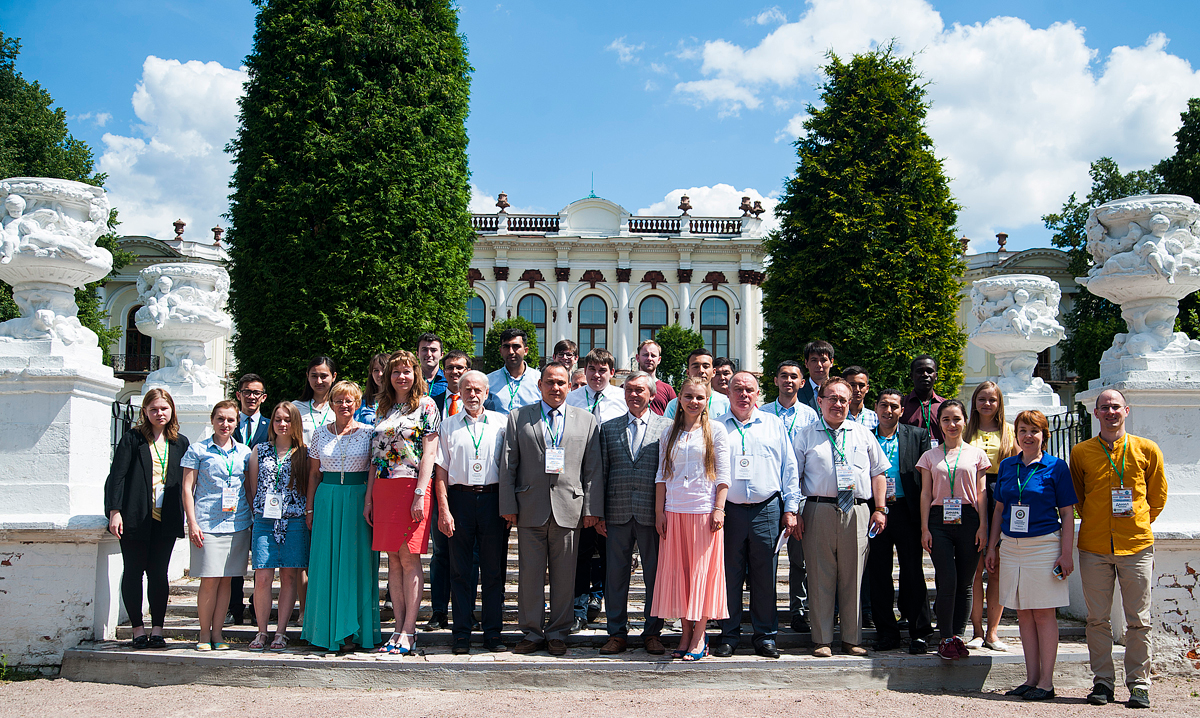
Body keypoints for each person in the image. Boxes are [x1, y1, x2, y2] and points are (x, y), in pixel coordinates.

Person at [1070, 389, 1167, 709]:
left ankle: (1139, 684)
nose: (1110, 412)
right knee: (1097, 620)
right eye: (1104, 408)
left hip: (1136, 544)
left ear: (1126, 410)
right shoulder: (1081, 452)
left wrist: (1136, 521)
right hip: (1095, 546)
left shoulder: (1146, 449)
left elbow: (1158, 497)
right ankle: (1102, 682)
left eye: (1115, 407)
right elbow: (1079, 498)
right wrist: (1099, 519)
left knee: (1138, 619)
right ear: (1095, 414)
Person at [500, 361, 603, 656]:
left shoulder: (586, 420)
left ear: (570, 386)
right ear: (540, 385)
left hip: (569, 507)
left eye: (561, 383)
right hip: (530, 507)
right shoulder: (518, 417)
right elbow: (509, 464)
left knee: (565, 576)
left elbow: (592, 469)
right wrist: (508, 504)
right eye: (550, 382)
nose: (555, 388)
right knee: (530, 576)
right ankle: (531, 633)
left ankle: (558, 631)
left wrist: (591, 508)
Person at [986, 410, 1078, 701]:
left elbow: (1067, 513)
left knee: (1043, 613)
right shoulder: (1008, 466)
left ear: (1044, 435)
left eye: (1034, 430)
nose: (1028, 435)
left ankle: (1047, 682)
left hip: (1043, 545)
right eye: (1023, 430)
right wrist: (992, 547)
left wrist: (1066, 554)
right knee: (1023, 613)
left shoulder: (1056, 467)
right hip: (1012, 546)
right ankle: (1031, 678)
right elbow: (999, 509)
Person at [793, 377, 888, 657]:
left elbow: (878, 473)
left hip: (857, 510)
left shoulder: (863, 434)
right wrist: (796, 511)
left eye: (843, 399)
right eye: (831, 398)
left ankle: (851, 638)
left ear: (851, 403)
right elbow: (794, 477)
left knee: (853, 575)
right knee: (820, 575)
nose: (837, 404)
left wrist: (880, 509)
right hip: (818, 509)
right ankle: (821, 639)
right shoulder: (806, 435)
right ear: (820, 401)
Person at [713, 372, 799, 659]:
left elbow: (789, 468)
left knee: (765, 577)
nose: (743, 395)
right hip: (730, 511)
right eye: (737, 389)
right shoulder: (716, 427)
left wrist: (790, 508)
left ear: (758, 393)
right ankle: (729, 635)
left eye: (749, 389)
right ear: (728, 393)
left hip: (767, 509)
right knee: (729, 575)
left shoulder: (774, 425)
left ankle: (765, 636)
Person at [652, 377, 731, 661]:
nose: (694, 401)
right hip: (674, 510)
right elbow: (661, 476)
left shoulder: (717, 431)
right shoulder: (668, 433)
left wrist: (718, 509)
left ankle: (699, 635)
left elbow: (723, 475)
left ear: (707, 399)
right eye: (688, 396)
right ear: (680, 398)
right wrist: (660, 511)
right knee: (681, 575)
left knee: (701, 575)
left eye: (699, 397)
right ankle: (684, 632)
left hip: (703, 511)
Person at [367, 351, 440, 655]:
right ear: (387, 376)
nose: (401, 377)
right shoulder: (382, 407)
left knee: (409, 558)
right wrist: (369, 496)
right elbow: (374, 457)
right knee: (392, 561)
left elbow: (430, 453)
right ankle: (396, 629)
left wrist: (421, 492)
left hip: (412, 487)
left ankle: (410, 631)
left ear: (416, 374)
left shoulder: (427, 405)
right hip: (384, 489)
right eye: (396, 372)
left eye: (407, 371)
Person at [105, 388, 189, 650]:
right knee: (133, 571)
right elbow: (116, 476)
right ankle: (137, 629)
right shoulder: (133, 439)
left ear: (172, 410)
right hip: (135, 515)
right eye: (153, 409)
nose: (159, 413)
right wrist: (114, 511)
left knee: (158, 574)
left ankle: (157, 630)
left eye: (163, 408)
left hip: (166, 517)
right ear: (145, 412)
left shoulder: (180, 442)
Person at [434, 370, 510, 654]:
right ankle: (461, 634)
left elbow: (510, 467)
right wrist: (444, 509)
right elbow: (440, 471)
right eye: (467, 390)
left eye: (478, 390)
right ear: (460, 392)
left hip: (492, 500)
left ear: (487, 393)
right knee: (460, 572)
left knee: (493, 572)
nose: (473, 395)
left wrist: (508, 507)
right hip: (459, 500)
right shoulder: (448, 425)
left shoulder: (501, 423)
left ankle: (493, 634)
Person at [597, 371, 672, 655]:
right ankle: (616, 633)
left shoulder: (666, 427)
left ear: (652, 395)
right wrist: (599, 512)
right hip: (616, 513)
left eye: (640, 390)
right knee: (615, 576)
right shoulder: (609, 427)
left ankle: (652, 632)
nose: (633, 395)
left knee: (655, 575)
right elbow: (602, 472)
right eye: (628, 390)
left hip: (652, 514)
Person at [302, 380, 380, 652]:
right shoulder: (319, 434)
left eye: (350, 401)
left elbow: (374, 470)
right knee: (326, 564)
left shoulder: (370, 432)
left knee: (356, 563)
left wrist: (369, 500)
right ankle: (325, 630)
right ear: (331, 404)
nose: (344, 405)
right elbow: (313, 474)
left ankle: (355, 631)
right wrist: (309, 507)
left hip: (359, 499)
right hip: (328, 499)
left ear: (357, 404)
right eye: (339, 400)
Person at [918, 399, 991, 661]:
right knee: (947, 578)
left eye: (956, 419)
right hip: (938, 520)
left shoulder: (976, 454)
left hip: (969, 518)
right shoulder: (929, 456)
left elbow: (982, 493)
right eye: (946, 419)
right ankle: (945, 636)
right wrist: (925, 527)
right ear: (939, 423)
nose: (951, 424)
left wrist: (984, 525)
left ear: (965, 421)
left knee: (966, 582)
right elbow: (926, 494)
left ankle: (958, 636)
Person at [181, 400, 253, 651]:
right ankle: (203, 634)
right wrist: (192, 522)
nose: (225, 424)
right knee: (209, 579)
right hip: (207, 524)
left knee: (226, 582)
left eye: (230, 420)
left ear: (237, 422)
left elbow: (248, 488)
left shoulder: (244, 452)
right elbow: (187, 489)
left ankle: (219, 634)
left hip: (237, 523)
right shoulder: (197, 450)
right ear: (212, 420)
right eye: (221, 419)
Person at [867, 389, 933, 654]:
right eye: (884, 405)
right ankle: (886, 632)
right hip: (876, 511)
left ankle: (919, 632)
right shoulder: (866, 436)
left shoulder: (917, 436)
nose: (889, 410)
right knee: (879, 572)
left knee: (913, 571)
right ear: (876, 408)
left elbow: (926, 476)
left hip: (907, 510)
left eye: (894, 406)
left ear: (902, 410)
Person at [565, 348, 627, 630]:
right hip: (578, 483)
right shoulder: (573, 399)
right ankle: (578, 607)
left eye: (603, 370)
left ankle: (599, 596)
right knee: (580, 550)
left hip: (611, 483)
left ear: (612, 373)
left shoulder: (620, 400)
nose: (597, 374)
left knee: (607, 549)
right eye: (592, 369)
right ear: (585, 370)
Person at [245, 401, 310, 652]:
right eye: (277, 419)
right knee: (262, 576)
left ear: (295, 423)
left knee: (289, 577)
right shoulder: (259, 450)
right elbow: (252, 487)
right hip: (265, 521)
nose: (282, 424)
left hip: (294, 520)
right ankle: (262, 631)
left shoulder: (304, 453)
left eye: (287, 419)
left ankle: (281, 632)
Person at [761, 359, 819, 633]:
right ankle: (766, 609)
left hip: (800, 495)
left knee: (800, 558)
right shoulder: (763, 413)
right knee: (765, 557)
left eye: (794, 377)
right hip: (769, 495)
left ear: (802, 382)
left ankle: (799, 611)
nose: (788, 381)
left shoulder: (810, 415)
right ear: (775, 381)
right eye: (783, 376)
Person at [427, 348, 480, 631]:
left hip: (472, 491)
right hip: (440, 489)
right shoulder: (431, 403)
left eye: (460, 368)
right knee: (441, 554)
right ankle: (438, 612)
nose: (455, 372)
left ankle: (467, 610)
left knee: (470, 556)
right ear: (443, 372)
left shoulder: (487, 403)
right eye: (450, 368)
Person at [965, 380, 1017, 652]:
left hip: (1000, 497)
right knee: (975, 570)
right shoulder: (965, 431)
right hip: (972, 497)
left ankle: (993, 632)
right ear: (974, 402)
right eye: (982, 399)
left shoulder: (1010, 432)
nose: (987, 404)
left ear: (999, 404)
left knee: (996, 570)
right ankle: (975, 630)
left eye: (992, 400)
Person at [229, 373, 270, 627]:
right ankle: (234, 606)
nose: (251, 396)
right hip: (231, 501)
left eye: (256, 393)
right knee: (234, 557)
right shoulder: (228, 424)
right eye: (247, 392)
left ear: (263, 397)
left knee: (261, 559)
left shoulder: (271, 426)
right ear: (238, 395)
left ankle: (258, 606)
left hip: (262, 501)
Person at [663, 348, 731, 419]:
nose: (701, 371)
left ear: (713, 372)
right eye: (695, 367)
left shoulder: (726, 403)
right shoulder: (674, 405)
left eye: (705, 366)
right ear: (688, 373)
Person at [487, 328, 542, 413]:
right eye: (506, 347)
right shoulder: (489, 381)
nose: (511, 351)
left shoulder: (539, 380)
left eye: (516, 346)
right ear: (501, 351)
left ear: (525, 350)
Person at [902, 355, 945, 445]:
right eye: (919, 371)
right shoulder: (902, 405)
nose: (925, 375)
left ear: (936, 376)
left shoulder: (944, 406)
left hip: (940, 457)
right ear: (911, 376)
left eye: (929, 371)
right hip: (912, 457)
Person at [297, 355, 338, 443]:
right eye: (314, 376)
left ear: (333, 376)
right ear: (307, 376)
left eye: (323, 376)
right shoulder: (296, 408)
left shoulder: (341, 407)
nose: (319, 381)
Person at [635, 339, 676, 415]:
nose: (649, 358)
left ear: (659, 360)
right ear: (637, 358)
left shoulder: (668, 390)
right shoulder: (626, 388)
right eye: (645, 355)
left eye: (653, 355)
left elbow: (676, 416)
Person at [796, 340, 835, 414]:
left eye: (823, 360)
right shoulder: (797, 392)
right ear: (806, 363)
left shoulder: (841, 390)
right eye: (814, 360)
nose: (819, 365)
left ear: (831, 362)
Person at [356, 353, 389, 425]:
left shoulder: (398, 400)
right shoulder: (363, 402)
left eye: (384, 369)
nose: (380, 374)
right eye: (376, 370)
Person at [417, 332, 447, 401]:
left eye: (433, 350)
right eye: (424, 349)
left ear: (441, 355)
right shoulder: (411, 380)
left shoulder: (448, 380)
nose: (429, 354)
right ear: (417, 354)